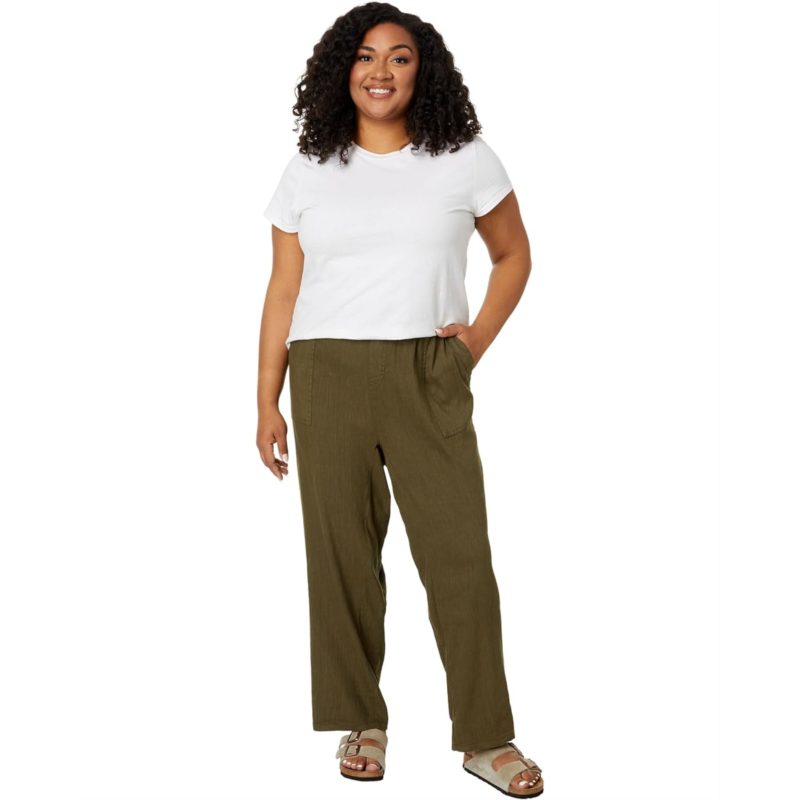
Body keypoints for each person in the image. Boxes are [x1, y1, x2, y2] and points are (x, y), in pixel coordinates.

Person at [256, 4, 543, 796]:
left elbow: (514, 254)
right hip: (326, 373)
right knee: (342, 557)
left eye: (400, 57)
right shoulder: (308, 168)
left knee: (460, 557)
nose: (380, 71)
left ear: (425, 71)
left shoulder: (465, 159)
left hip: (428, 368)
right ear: (341, 70)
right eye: (365, 56)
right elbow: (283, 291)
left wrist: (471, 345)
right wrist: (267, 399)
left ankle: (486, 737)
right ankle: (362, 721)